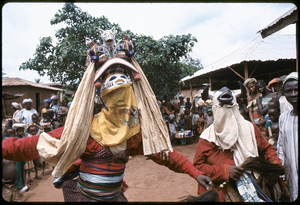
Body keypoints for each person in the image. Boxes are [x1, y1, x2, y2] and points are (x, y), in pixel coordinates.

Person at [2, 42, 212, 202]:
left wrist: (195, 173)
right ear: (104, 100)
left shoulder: (134, 133)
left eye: (126, 97)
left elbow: (165, 154)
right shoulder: (86, 130)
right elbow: (33, 145)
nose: (123, 105)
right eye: (116, 98)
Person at [193, 86, 282, 202]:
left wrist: (274, 167)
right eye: (221, 107)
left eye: (230, 107)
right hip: (221, 191)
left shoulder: (250, 128)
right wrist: (224, 171)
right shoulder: (207, 137)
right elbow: (198, 167)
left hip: (255, 184)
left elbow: (267, 149)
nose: (226, 111)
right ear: (215, 109)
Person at [277, 72, 298, 201]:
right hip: (292, 174)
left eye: (297, 89)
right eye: (289, 91)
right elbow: (281, 145)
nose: (293, 94)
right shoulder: (283, 117)